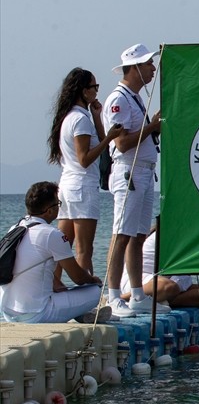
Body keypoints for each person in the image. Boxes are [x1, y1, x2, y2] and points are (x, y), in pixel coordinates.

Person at [104, 44, 163, 319]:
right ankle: (114, 296)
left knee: (138, 235)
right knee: (121, 235)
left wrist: (152, 127)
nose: (153, 69)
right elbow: (122, 142)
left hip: (145, 170)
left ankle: (137, 293)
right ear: (136, 67)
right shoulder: (119, 99)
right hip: (129, 171)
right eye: (149, 64)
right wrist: (151, 127)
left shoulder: (135, 98)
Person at [46, 68, 123, 280]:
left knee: (62, 247)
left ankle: (54, 285)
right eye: (93, 87)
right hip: (82, 187)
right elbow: (85, 158)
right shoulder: (80, 120)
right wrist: (110, 139)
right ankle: (86, 294)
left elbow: (97, 139)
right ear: (82, 90)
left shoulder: (72, 116)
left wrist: (97, 116)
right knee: (84, 249)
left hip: (67, 187)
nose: (97, 91)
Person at [0, 182, 108, 324]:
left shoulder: (15, 228)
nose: (59, 207)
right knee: (94, 292)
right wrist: (94, 280)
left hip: (8, 312)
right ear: (49, 211)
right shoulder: (52, 234)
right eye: (58, 204)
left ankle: (81, 315)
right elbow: (78, 278)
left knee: (60, 291)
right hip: (37, 314)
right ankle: (82, 315)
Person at [120, 227, 199, 309]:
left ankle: (163, 301)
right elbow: (168, 270)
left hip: (171, 279)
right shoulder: (168, 234)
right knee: (169, 287)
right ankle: (124, 298)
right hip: (140, 280)